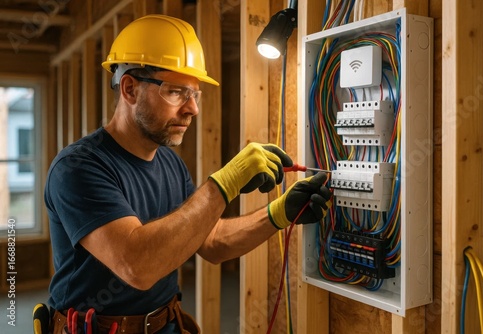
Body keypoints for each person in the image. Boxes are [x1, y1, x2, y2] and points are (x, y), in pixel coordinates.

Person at [44, 14, 332, 334]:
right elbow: (136, 264)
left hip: (167, 324)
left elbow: (210, 241)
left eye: (194, 94)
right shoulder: (78, 168)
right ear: (129, 89)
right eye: (176, 92)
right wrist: (225, 182)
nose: (192, 109)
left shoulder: (170, 162)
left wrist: (278, 214)